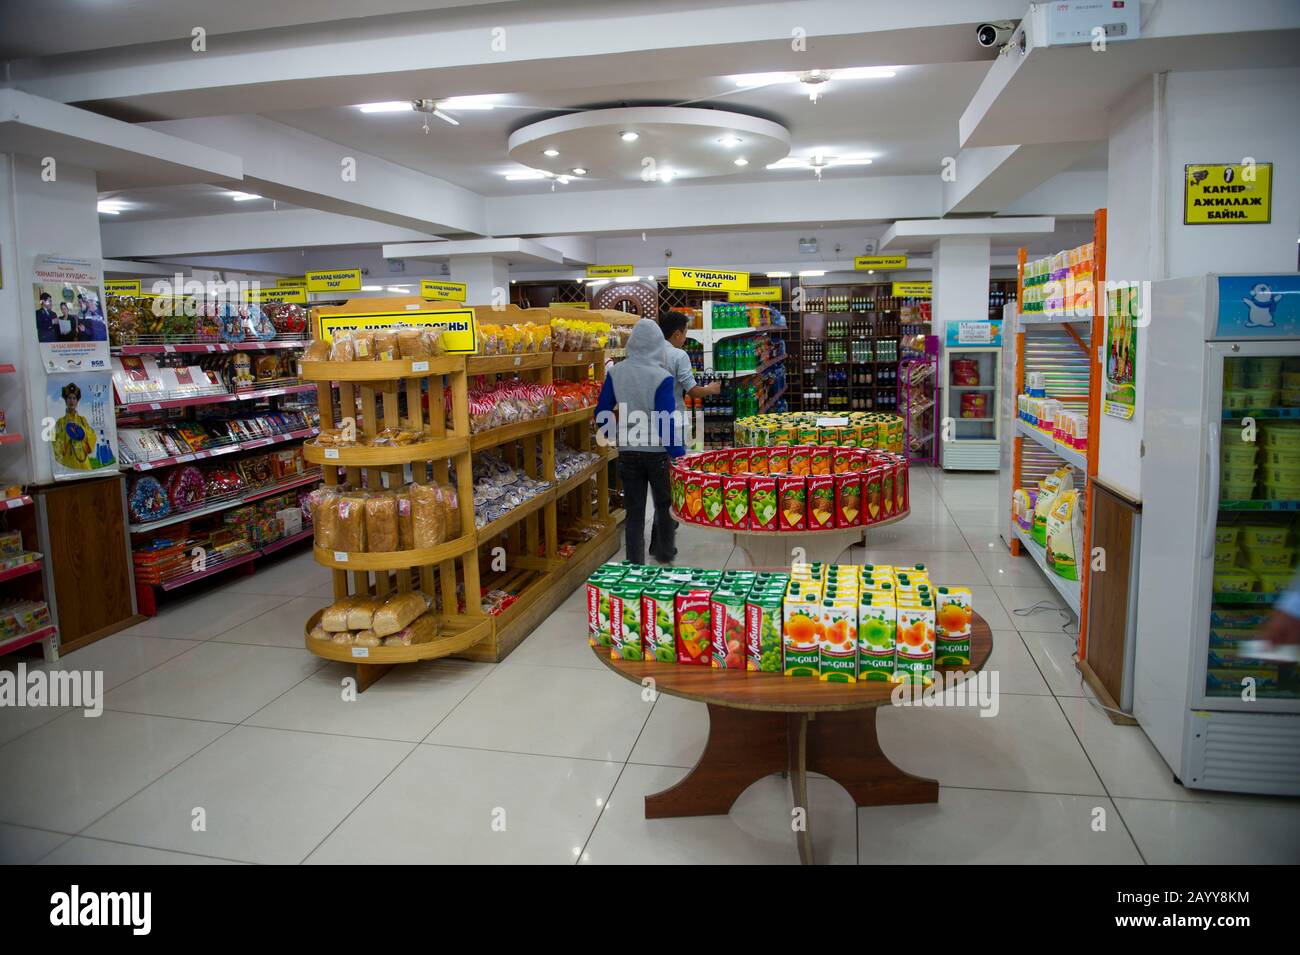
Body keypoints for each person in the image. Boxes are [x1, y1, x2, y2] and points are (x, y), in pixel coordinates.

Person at [595, 318, 683, 565]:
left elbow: (601, 411)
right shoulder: (662, 377)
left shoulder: (615, 373)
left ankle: (635, 565)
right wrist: (678, 454)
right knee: (664, 506)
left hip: (628, 451)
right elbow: (665, 422)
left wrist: (613, 434)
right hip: (657, 453)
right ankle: (664, 555)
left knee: (634, 512)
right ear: (658, 346)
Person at [652, 309, 722, 558]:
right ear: (677, 333)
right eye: (685, 334)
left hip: (647, 426)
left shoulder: (647, 352)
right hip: (672, 423)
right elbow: (692, 391)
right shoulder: (678, 355)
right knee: (670, 481)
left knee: (658, 481)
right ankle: (663, 541)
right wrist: (712, 389)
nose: (686, 339)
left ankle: (660, 536)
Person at [52, 382, 97, 471]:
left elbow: (92, 436)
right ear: (66, 401)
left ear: (77, 401)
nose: (71, 401)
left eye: (74, 398)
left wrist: (82, 433)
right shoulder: (60, 422)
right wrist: (67, 434)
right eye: (69, 398)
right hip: (68, 462)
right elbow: (55, 443)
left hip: (83, 461)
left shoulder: (82, 420)